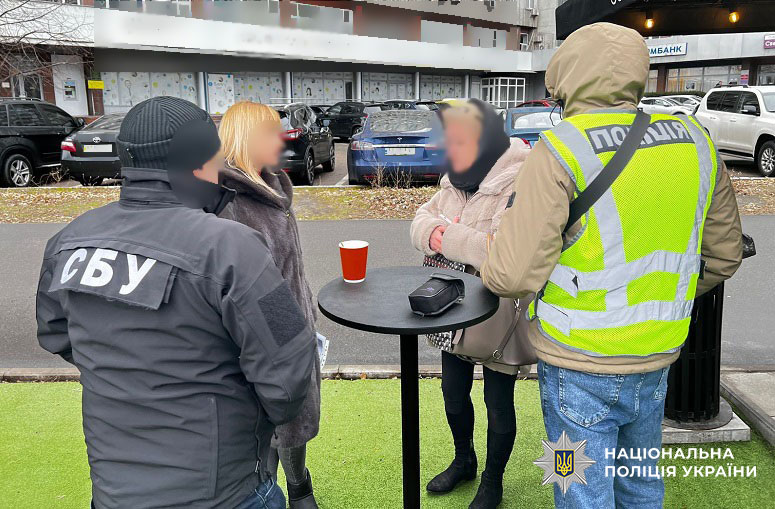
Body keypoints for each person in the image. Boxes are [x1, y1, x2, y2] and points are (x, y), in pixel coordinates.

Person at [480, 23, 743, 508]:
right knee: (640, 484)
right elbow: (723, 255)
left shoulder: (560, 149)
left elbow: (511, 276)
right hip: (658, 355)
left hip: (576, 363)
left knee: (577, 489)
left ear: (565, 79)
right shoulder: (696, 140)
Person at [36, 96, 316, 509]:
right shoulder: (232, 247)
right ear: (201, 159)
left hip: (115, 492)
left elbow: (55, 334)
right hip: (227, 490)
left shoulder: (69, 240)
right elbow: (288, 373)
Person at [410, 99, 529, 509]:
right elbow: (420, 220)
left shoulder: (519, 178)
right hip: (453, 307)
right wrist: (437, 233)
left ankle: (492, 481)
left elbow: (503, 251)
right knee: (453, 394)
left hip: (500, 310)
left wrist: (446, 236)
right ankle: (465, 460)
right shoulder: (455, 177)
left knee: (498, 403)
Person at [218, 101, 321, 509]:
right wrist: (288, 336)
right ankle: (273, 490)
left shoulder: (272, 186)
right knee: (270, 422)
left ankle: (299, 484)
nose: (282, 142)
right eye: (272, 134)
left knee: (296, 421)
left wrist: (304, 319)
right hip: (263, 340)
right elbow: (243, 288)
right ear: (248, 139)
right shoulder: (227, 203)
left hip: (292, 329)